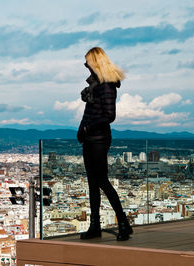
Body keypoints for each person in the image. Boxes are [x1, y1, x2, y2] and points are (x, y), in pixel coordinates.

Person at [77, 47, 133, 241]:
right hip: (91, 138)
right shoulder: (96, 85)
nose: (86, 66)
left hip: (99, 139)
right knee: (93, 183)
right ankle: (95, 226)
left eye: (88, 63)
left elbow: (110, 116)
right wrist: (83, 130)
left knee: (101, 181)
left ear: (95, 63)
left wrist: (87, 129)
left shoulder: (106, 85)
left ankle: (123, 223)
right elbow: (94, 113)